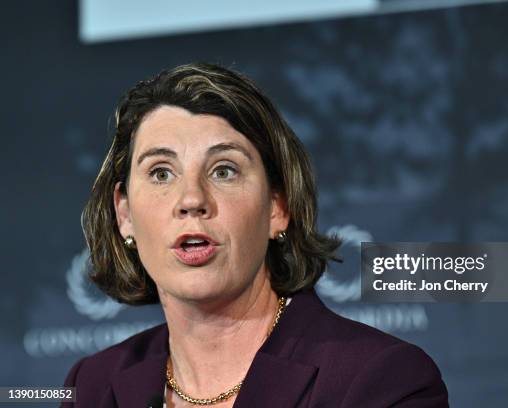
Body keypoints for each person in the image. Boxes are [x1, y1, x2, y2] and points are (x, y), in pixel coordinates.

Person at [61, 62, 448, 407]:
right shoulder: (95, 389)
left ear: (277, 208)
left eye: (224, 170)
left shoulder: (382, 381)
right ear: (124, 213)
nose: (192, 199)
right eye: (161, 173)